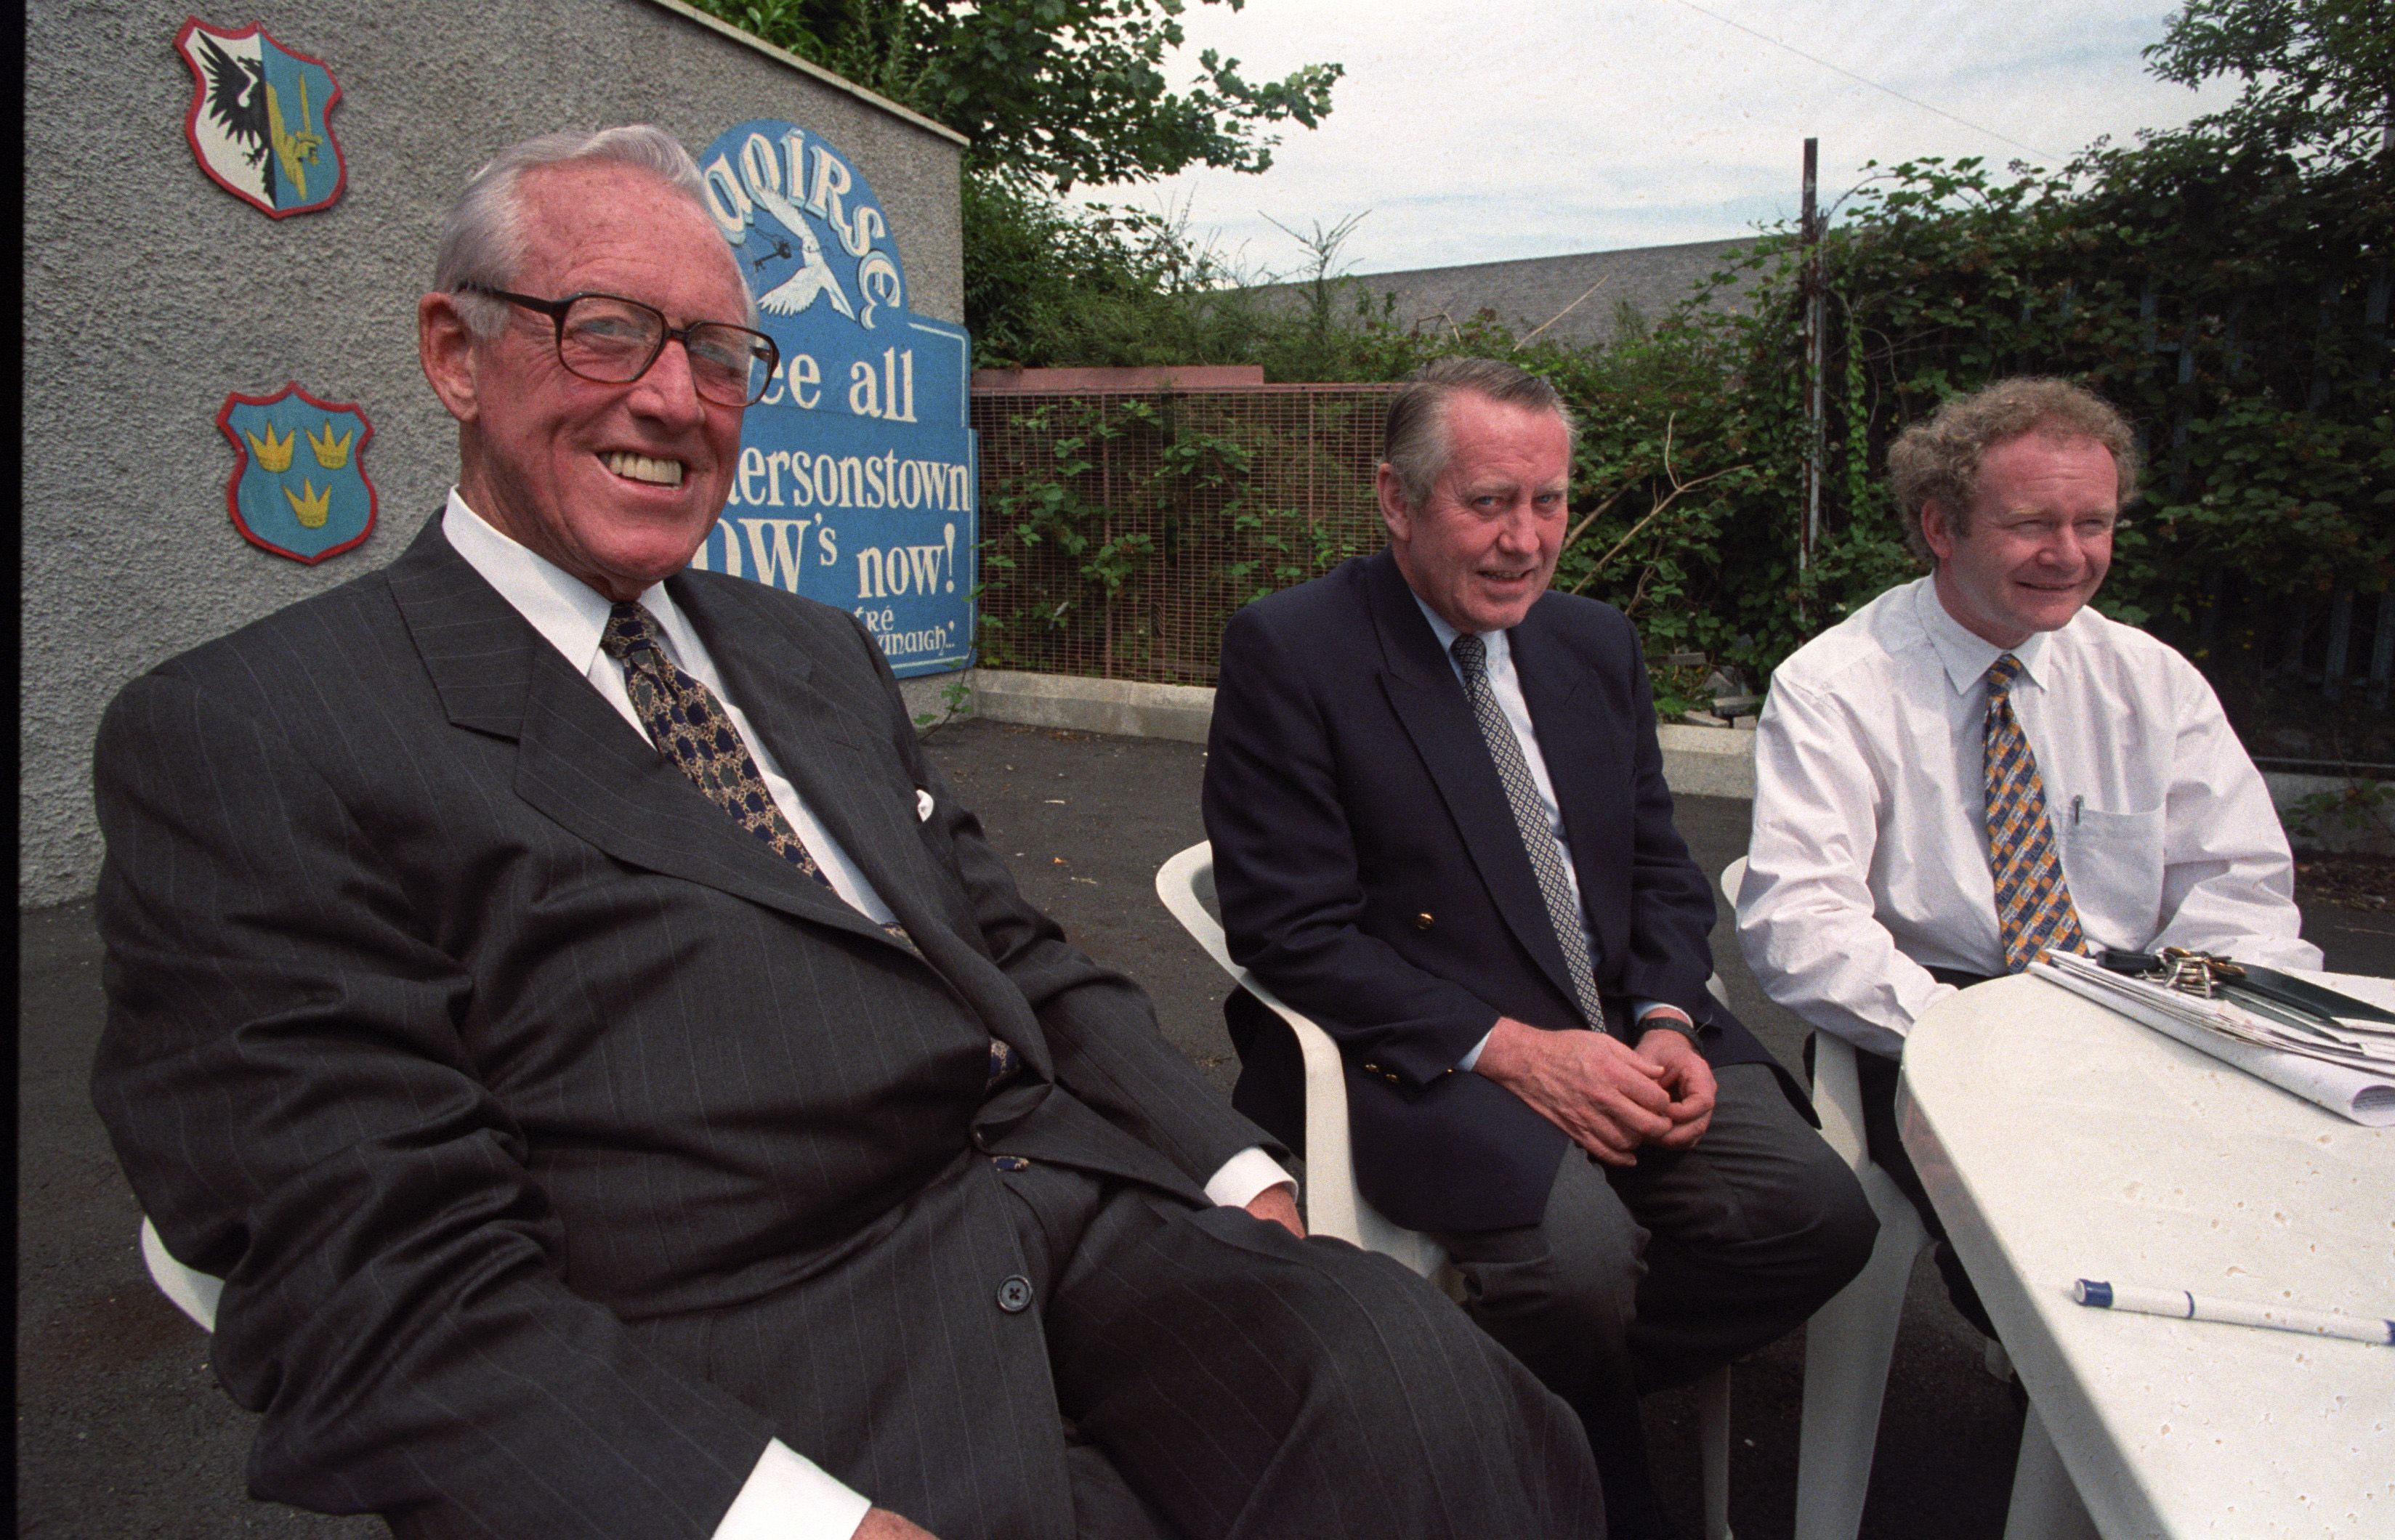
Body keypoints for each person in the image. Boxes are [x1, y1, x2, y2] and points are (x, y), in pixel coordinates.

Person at [90, 129, 1608, 1540]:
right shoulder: (254, 738)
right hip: (771, 1362)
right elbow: (380, 1288)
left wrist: (1235, 1177)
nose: (674, 399)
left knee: (1455, 1416)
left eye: (720, 354)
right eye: (605, 329)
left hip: (1080, 1219)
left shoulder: (809, 650)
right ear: (454, 354)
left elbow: (1007, 940)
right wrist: (804, 1526)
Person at [1203, 356, 1876, 1540]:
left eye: (1549, 501)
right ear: (1397, 500)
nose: (1526, 540)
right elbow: (1288, 928)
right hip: (1429, 1046)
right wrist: (1518, 1053)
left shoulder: (1593, 644)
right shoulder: (1295, 650)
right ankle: (1596, 1487)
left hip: (1624, 1016)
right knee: (1576, 1266)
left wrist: (1667, 1017)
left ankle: (1487, 1400)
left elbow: (1660, 867)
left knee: (1817, 1215)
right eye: (1488, 503)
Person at [1737, 375, 2320, 1332]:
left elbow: (2241, 889)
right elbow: (1801, 923)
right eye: (2031, 525)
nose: (2069, 554)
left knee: (2278, 1227)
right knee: (2073, 1264)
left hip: (2142, 1026)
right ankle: (2076, 1404)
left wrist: (2182, 1026)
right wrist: (1987, 1043)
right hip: (1936, 1029)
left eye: (2094, 523)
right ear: (1941, 526)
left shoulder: (2152, 682)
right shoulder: (1836, 685)